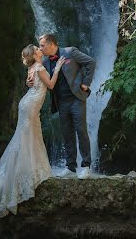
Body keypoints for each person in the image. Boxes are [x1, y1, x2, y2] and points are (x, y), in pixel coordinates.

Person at [0, 44, 65, 216]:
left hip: (27, 104)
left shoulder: (32, 67)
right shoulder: (40, 67)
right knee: (27, 139)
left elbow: (31, 84)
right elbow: (50, 85)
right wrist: (57, 68)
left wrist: (28, 83)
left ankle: (25, 171)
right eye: (37, 49)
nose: (40, 50)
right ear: (35, 55)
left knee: (26, 138)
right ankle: (22, 176)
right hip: (30, 106)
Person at [37, 33, 96, 179]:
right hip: (61, 102)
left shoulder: (70, 52)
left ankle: (86, 165)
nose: (40, 48)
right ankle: (71, 167)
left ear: (51, 44)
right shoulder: (45, 62)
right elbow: (44, 80)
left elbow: (90, 62)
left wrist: (86, 83)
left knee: (81, 131)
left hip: (77, 99)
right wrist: (30, 82)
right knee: (67, 133)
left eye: (42, 45)